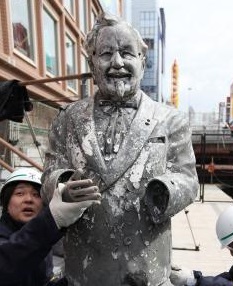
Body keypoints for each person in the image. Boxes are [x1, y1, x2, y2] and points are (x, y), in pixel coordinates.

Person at [41, 12, 199, 286]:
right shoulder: (68, 119)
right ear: (92, 63)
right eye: (106, 54)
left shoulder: (170, 120)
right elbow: (50, 173)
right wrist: (63, 185)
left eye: (127, 53)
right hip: (85, 270)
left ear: (143, 61)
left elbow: (188, 179)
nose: (117, 63)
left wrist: (164, 191)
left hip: (145, 268)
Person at [0, 167, 100, 286]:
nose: (28, 199)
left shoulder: (43, 240)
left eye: (36, 195)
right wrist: (52, 219)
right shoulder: (41, 236)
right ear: (6, 203)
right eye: (19, 193)